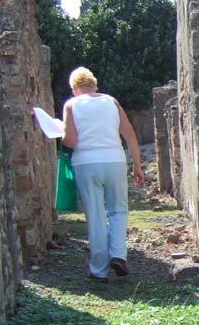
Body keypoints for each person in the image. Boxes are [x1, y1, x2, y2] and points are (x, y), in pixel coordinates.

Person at [62, 66, 145, 282]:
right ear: (93, 84)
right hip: (114, 161)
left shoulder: (71, 105)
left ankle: (99, 269)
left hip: (86, 163)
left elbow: (70, 141)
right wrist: (137, 164)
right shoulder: (111, 101)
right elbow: (130, 134)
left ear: (75, 88)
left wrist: (59, 134)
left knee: (95, 214)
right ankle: (118, 255)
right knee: (118, 210)